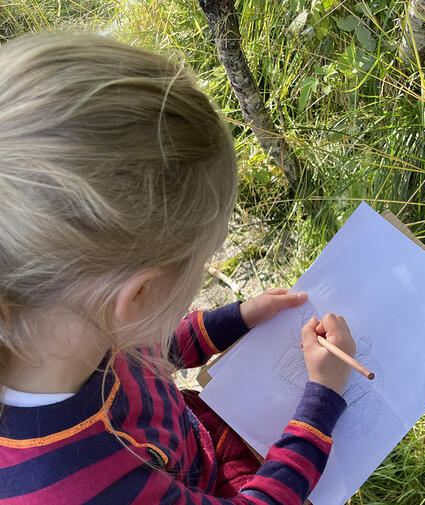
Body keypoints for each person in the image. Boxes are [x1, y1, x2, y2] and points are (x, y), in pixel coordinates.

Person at [0, 32, 356, 504]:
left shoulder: (59, 325)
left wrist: (238, 317)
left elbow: (149, 350)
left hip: (196, 440)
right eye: (202, 261)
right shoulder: (80, 488)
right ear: (139, 295)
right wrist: (321, 402)